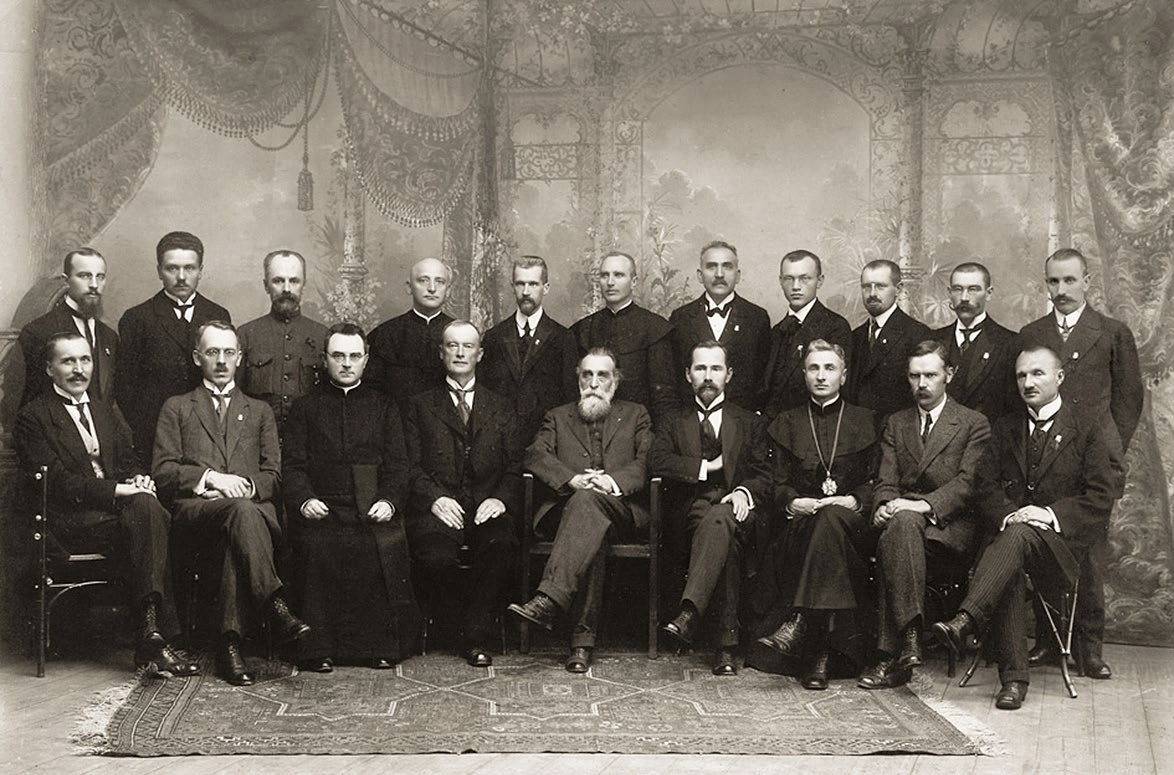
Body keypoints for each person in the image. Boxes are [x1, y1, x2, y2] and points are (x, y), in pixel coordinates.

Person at [932, 345, 1116, 710]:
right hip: (1010, 542)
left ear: (1059, 377)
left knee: (1011, 545)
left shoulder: (1087, 427)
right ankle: (1013, 682)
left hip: (1060, 553)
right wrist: (1010, 515)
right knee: (1010, 563)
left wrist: (1047, 514)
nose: (1028, 383)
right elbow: (984, 486)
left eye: (1037, 373)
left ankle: (966, 619)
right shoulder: (1005, 428)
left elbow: (1101, 496)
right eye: (1021, 375)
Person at [14, 332, 196, 678]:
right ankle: (154, 634)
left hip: (117, 518)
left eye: (85, 360)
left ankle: (151, 635)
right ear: (50, 368)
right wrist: (121, 490)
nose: (79, 369)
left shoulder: (103, 409)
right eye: (68, 361)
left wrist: (139, 478)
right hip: (67, 521)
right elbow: (59, 484)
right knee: (151, 518)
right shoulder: (33, 417)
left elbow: (128, 460)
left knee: (149, 512)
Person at [152, 321, 307, 686]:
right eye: (212, 352)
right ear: (197, 358)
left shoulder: (259, 411)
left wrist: (243, 488)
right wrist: (212, 479)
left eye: (228, 352)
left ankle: (229, 645)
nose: (221, 361)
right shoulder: (177, 407)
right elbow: (162, 472)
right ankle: (275, 605)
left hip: (248, 514)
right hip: (197, 513)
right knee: (240, 512)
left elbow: (274, 475)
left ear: (240, 357)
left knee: (235, 533)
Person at [1016, 248, 1143, 679]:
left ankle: (1090, 649)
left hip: (1092, 465)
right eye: (1054, 281)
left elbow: (1128, 401)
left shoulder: (1112, 333)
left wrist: (1107, 453)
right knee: (1043, 551)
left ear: (1087, 281)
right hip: (1046, 461)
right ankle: (1048, 642)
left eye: (1070, 280)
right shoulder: (1032, 334)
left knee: (1088, 559)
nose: (1062, 289)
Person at [283, 323, 422, 671]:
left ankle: (379, 646)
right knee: (318, 546)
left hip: (372, 505)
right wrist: (305, 500)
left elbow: (399, 466)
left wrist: (389, 501)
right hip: (323, 506)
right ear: (325, 359)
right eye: (338, 356)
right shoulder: (305, 407)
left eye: (354, 356)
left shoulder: (384, 406)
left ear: (366, 360)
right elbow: (294, 466)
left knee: (378, 545)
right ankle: (318, 649)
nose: (346, 363)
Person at [740, 340, 878, 689]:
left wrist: (855, 501)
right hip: (801, 527)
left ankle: (801, 621)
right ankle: (822, 654)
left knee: (831, 519)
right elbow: (776, 484)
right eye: (813, 368)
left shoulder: (865, 420)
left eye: (829, 368)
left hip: (852, 529)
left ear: (843, 375)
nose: (821, 376)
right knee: (824, 522)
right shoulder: (786, 422)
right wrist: (792, 503)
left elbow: (876, 480)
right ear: (803, 374)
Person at [508, 348, 654, 674]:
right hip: (568, 509)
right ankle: (581, 645)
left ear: (615, 381)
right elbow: (535, 454)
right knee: (589, 521)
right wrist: (571, 479)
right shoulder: (558, 416)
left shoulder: (636, 415)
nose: (594, 383)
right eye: (587, 375)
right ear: (578, 379)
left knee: (590, 507)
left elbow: (648, 460)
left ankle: (549, 599)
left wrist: (611, 481)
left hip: (621, 509)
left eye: (603, 375)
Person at [859, 340, 990, 689]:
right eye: (914, 376)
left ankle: (893, 649)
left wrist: (923, 506)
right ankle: (910, 639)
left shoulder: (973, 423)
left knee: (899, 529)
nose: (922, 384)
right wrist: (884, 504)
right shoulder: (897, 423)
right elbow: (886, 479)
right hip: (902, 522)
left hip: (948, 527)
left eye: (930, 375)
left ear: (949, 374)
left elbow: (968, 484)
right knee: (899, 527)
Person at [403, 320, 521, 667]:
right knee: (436, 558)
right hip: (438, 507)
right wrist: (435, 499)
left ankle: (474, 631)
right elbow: (409, 465)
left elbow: (516, 466)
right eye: (452, 345)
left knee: (501, 545)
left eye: (467, 346)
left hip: (487, 506)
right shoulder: (419, 405)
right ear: (441, 353)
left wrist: (499, 499)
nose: (459, 353)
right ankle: (465, 631)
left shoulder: (501, 406)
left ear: (480, 354)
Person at [652, 341, 762, 675]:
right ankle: (725, 647)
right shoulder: (673, 420)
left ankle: (689, 613)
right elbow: (657, 461)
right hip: (691, 512)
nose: (708, 376)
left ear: (729, 374)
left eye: (716, 368)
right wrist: (706, 467)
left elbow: (765, 474)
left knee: (723, 519)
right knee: (723, 536)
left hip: (739, 511)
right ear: (688, 375)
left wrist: (743, 490)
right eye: (700, 368)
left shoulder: (749, 421)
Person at [117, 231, 232, 462]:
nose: (181, 277)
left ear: (201, 270)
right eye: (172, 268)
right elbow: (126, 388)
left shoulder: (217, 314)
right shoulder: (137, 318)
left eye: (189, 268)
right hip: (154, 435)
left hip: (207, 434)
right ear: (159, 271)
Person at [480, 255, 578, 444]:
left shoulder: (563, 338)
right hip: (500, 442)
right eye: (520, 284)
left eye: (533, 284)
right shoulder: (494, 337)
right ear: (512, 287)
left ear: (545, 288)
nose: (525, 292)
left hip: (547, 442)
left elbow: (570, 399)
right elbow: (484, 394)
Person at [571, 252, 675, 426]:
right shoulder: (582, 329)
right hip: (591, 427)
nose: (610, 282)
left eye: (618, 275)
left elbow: (664, 398)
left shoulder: (655, 328)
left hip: (638, 429)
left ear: (633, 282)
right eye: (605, 275)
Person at [668, 241, 770, 414]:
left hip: (742, 419)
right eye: (711, 266)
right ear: (700, 275)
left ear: (738, 275)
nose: (719, 274)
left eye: (727, 267)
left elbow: (763, 378)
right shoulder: (680, 318)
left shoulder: (757, 317)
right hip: (692, 417)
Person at [238, 250, 329, 431]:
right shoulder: (245, 335)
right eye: (278, 281)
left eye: (294, 281)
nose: (286, 289)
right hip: (259, 438)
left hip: (309, 440)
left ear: (304, 284)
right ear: (266, 285)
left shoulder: (322, 335)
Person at [19, 248, 119, 406]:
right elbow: (24, 400)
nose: (94, 285)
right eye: (85, 276)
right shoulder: (37, 332)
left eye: (100, 277)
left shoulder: (109, 336)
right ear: (66, 281)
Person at [762, 250, 852, 420]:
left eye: (805, 278)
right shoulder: (777, 331)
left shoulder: (835, 327)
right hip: (773, 426)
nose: (796, 286)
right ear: (780, 281)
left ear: (820, 281)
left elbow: (837, 389)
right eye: (789, 279)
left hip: (812, 424)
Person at [930, 262, 1018, 422]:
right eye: (958, 289)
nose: (964, 297)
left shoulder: (1009, 343)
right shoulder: (933, 340)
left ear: (989, 293)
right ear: (949, 293)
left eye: (973, 289)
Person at [845, 259, 930, 421]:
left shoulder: (917, 334)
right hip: (858, 430)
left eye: (880, 286)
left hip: (897, 431)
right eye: (866, 286)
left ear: (898, 289)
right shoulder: (855, 336)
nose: (872, 293)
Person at [367, 258, 455, 410]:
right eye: (423, 280)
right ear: (409, 287)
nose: (432, 288)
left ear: (448, 290)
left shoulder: (461, 334)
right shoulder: (384, 334)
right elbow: (372, 392)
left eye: (440, 281)